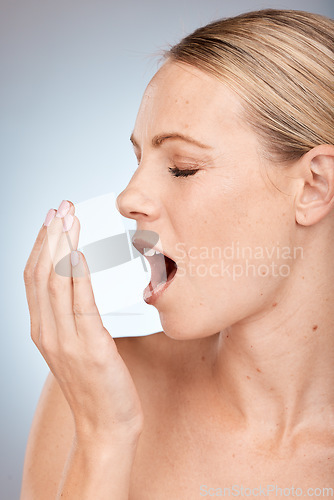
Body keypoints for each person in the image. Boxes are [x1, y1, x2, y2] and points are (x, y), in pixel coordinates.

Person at [21, 8, 334, 499]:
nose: (129, 198)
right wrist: (105, 439)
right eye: (139, 160)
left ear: (314, 187)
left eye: (183, 167)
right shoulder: (93, 390)